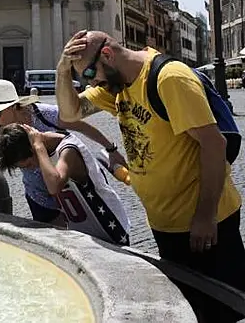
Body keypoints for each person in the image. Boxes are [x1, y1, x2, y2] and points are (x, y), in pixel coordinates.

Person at [56, 30, 244, 322]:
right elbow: (70, 114)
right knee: (191, 310)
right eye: (85, 77)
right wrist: (62, 69)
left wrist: (205, 216)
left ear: (107, 55)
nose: (92, 82)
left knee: (221, 311)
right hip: (166, 225)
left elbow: (214, 144)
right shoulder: (116, 87)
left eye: (91, 73)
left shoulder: (169, 79)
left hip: (206, 223)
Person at [0, 79, 126, 234]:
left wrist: (112, 150)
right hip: (41, 199)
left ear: (15, 106)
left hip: (74, 191)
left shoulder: (45, 115)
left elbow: (83, 127)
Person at [0, 123, 131, 246]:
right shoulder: (45, 153)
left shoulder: (67, 150)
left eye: (29, 164)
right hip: (86, 233)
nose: (32, 168)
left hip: (108, 225)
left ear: (33, 147)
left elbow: (54, 186)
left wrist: (39, 146)